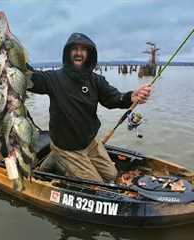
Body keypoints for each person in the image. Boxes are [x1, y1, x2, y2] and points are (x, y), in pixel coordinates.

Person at [26, 32, 151, 182]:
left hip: (90, 143)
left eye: (83, 49)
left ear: (89, 54)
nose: (79, 53)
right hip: (67, 147)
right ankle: (58, 156)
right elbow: (31, 78)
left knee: (111, 176)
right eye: (75, 49)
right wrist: (10, 54)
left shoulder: (96, 80)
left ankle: (55, 158)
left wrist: (131, 96)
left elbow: (113, 98)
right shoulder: (53, 79)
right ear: (68, 53)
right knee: (96, 185)